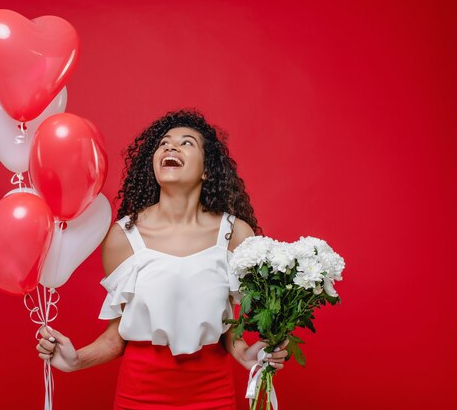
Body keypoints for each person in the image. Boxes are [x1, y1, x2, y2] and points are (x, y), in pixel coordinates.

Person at [36, 109, 289, 410]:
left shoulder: (235, 234)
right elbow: (117, 336)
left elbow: (230, 330)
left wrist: (246, 355)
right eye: (164, 143)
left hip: (213, 394)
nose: (170, 147)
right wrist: (77, 359)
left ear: (207, 169)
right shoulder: (124, 237)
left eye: (186, 143)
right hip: (139, 395)